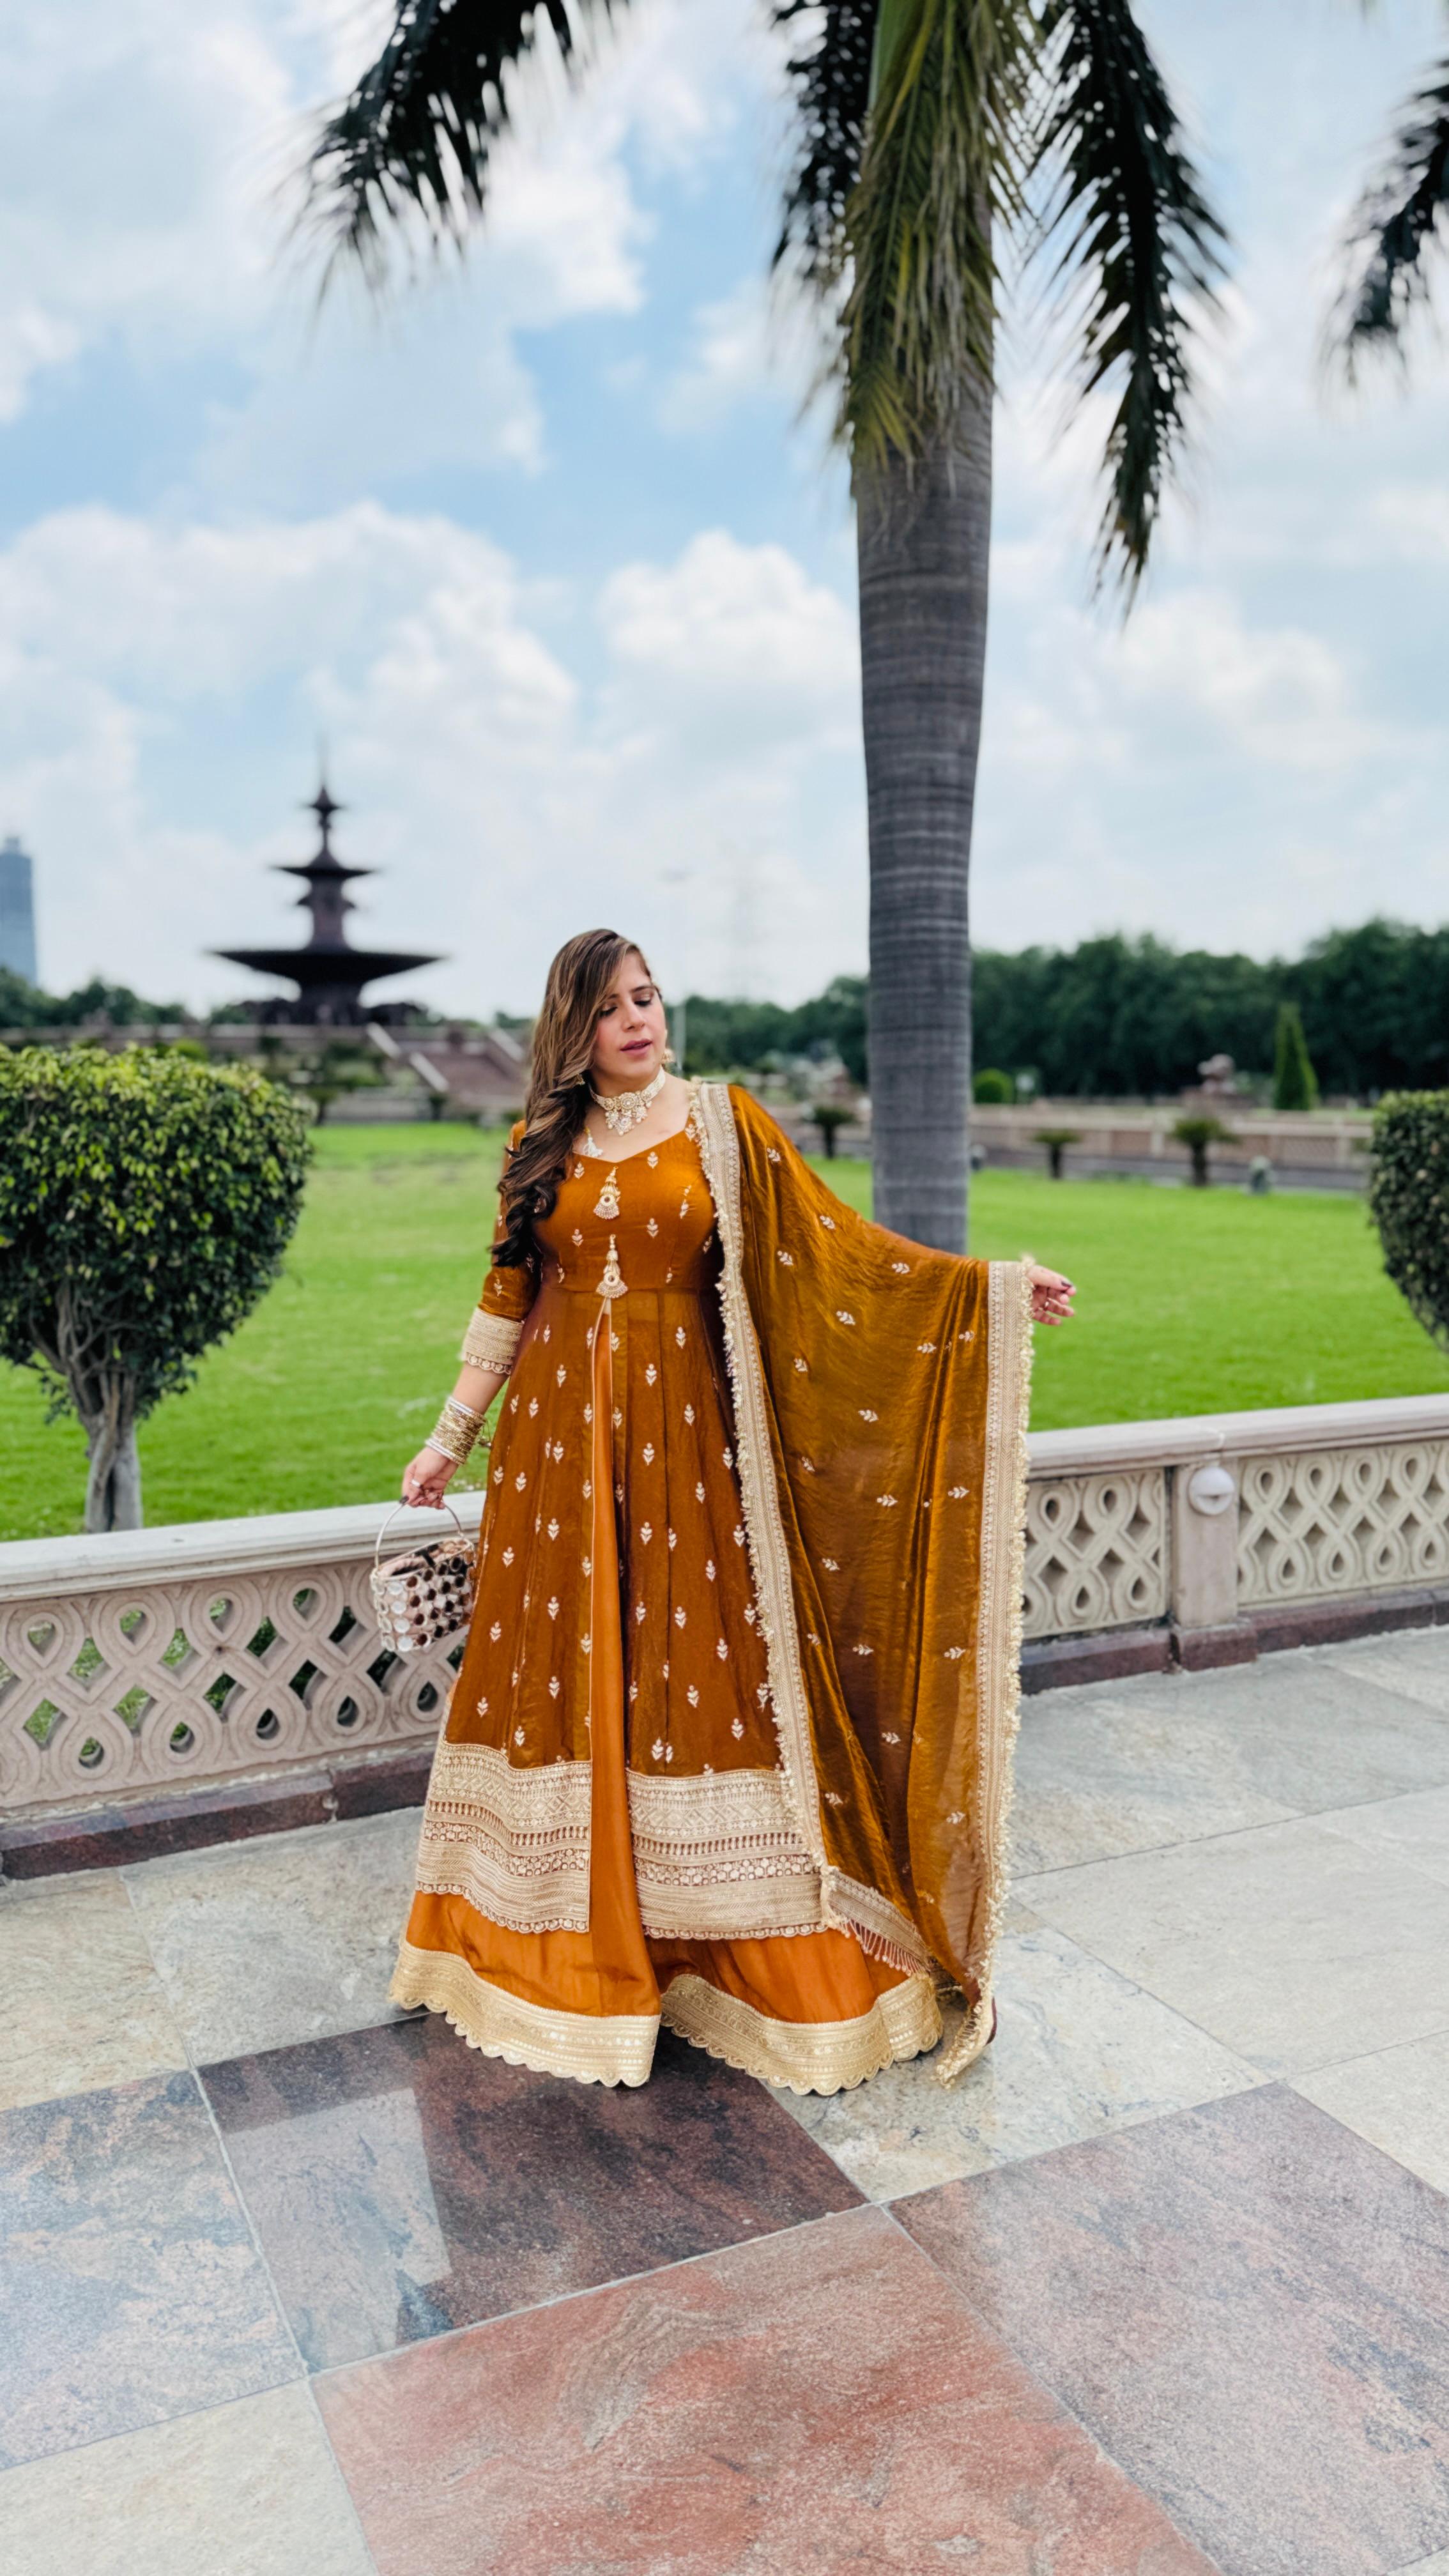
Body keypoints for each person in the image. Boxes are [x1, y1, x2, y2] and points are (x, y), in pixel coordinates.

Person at [391, 930, 1074, 2092]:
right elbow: (505, 1299)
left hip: (683, 1457)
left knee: (696, 1676)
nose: (638, 1021)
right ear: (574, 1028)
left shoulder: (724, 1123)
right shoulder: (536, 1145)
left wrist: (987, 1290)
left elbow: (836, 1251)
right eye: (611, 1008)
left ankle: (719, 1946)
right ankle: (544, 1945)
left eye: (648, 999)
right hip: (555, 1459)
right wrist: (447, 1438)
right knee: (556, 1681)